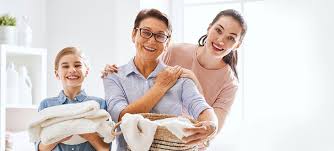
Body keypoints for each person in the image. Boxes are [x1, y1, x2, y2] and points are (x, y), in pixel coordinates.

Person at [103, 9, 247, 147]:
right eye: (146, 32)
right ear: (134, 34)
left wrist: (210, 126)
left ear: (167, 42)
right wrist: (160, 87)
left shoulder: (184, 78)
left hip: (188, 143)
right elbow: (120, 119)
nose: (152, 41)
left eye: (160, 36)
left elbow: (203, 109)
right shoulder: (114, 76)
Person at [37, 47, 111, 151]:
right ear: (56, 74)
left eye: (77, 65)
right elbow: (40, 148)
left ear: (87, 71)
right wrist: (59, 135)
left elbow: (106, 148)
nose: (72, 70)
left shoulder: (99, 104)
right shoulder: (46, 105)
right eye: (65, 66)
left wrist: (90, 135)